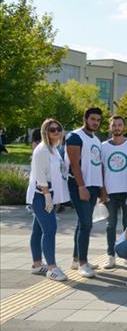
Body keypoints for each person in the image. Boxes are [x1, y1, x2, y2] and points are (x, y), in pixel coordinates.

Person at [26, 119, 69, 281]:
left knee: (38, 230)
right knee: (50, 230)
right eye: (52, 130)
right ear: (45, 132)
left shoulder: (53, 148)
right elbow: (40, 177)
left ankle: (37, 264)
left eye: (58, 129)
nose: (56, 132)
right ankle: (52, 268)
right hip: (41, 194)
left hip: (47, 193)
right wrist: (48, 197)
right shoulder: (42, 150)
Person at [66, 107, 104, 278]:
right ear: (85, 119)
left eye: (98, 120)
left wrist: (101, 188)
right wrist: (81, 187)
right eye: (92, 119)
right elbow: (74, 164)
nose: (95, 122)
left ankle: (77, 259)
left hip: (94, 186)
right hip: (80, 185)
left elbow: (98, 164)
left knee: (83, 223)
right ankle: (83, 263)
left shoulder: (96, 139)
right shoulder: (75, 136)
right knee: (87, 224)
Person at [100, 115, 127, 269]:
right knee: (111, 225)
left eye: (119, 124)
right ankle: (110, 255)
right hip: (110, 191)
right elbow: (101, 168)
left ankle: (126, 255)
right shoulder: (103, 146)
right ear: (109, 127)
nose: (117, 127)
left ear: (124, 127)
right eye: (114, 125)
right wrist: (102, 189)